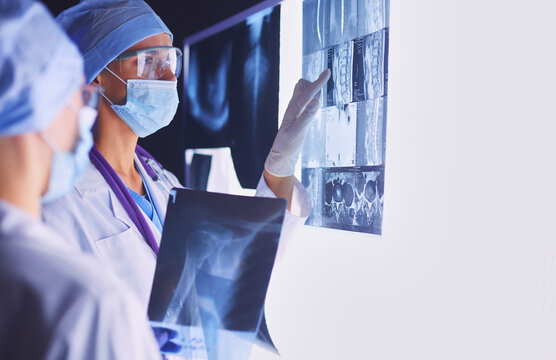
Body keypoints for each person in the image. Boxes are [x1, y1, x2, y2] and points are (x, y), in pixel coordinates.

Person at [43, 0, 330, 311]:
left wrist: (279, 168)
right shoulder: (58, 200)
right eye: (148, 61)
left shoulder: (163, 183)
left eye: (170, 60)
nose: (169, 78)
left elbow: (227, 275)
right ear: (97, 73)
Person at [0, 0, 162, 358]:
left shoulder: (161, 180)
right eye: (75, 97)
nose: (82, 115)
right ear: (39, 105)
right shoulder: (88, 308)